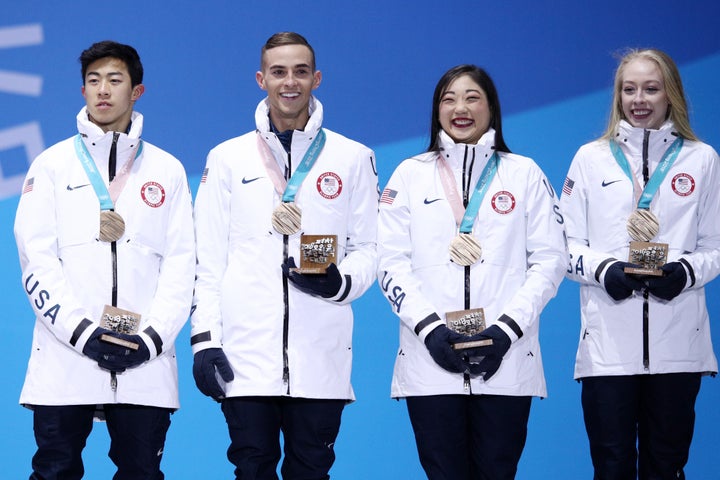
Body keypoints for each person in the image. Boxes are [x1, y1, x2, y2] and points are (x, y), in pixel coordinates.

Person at [190, 32, 378, 479]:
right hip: (245, 356)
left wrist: (341, 282)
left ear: (316, 78)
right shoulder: (227, 158)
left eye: (299, 71)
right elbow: (208, 259)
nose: (289, 82)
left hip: (320, 354)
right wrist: (204, 339)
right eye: (278, 72)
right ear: (261, 79)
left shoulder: (353, 158)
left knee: (311, 471)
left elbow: (370, 248)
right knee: (252, 469)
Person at [14, 40, 195, 479]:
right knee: (54, 472)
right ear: (82, 92)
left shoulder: (167, 170)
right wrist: (83, 334)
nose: (103, 90)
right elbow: (36, 261)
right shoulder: (51, 165)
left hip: (144, 362)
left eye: (115, 80)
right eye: (93, 81)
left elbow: (182, 265)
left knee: (141, 474)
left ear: (137, 92)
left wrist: (150, 340)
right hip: (64, 358)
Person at [377, 64, 567, 480]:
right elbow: (389, 263)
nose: (460, 108)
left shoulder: (525, 174)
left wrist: (505, 332)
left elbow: (551, 262)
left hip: (507, 359)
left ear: (492, 107)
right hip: (430, 362)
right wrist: (431, 331)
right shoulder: (409, 175)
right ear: (436, 111)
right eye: (449, 99)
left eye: (471, 97)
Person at [560, 48, 720, 479]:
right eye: (629, 89)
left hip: (677, 346)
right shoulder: (590, 158)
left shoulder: (702, 158)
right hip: (607, 348)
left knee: (665, 467)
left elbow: (716, 246)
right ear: (617, 96)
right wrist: (604, 270)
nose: (640, 99)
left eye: (651, 88)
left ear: (671, 95)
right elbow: (563, 247)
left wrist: (685, 273)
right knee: (611, 467)